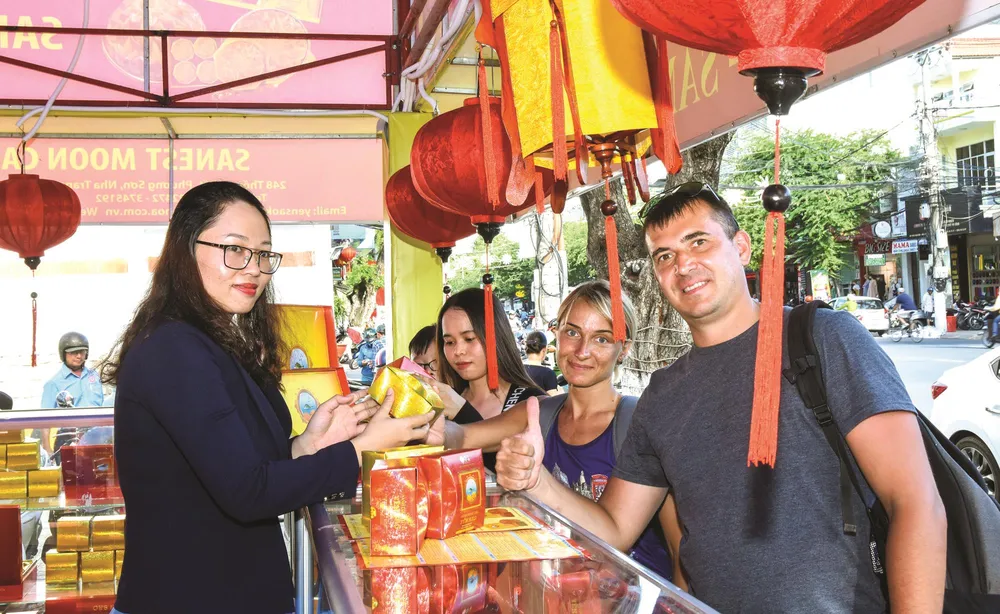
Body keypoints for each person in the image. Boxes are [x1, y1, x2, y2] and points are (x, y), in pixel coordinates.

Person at [495, 182, 946, 613]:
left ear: (742, 247)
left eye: (698, 243)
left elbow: (914, 503)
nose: (682, 265)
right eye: (664, 256)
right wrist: (536, 481)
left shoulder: (822, 340)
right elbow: (614, 530)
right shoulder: (664, 395)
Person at [101, 181, 434, 614]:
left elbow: (237, 468)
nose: (253, 268)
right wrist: (362, 449)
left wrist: (308, 444)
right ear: (186, 248)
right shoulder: (172, 348)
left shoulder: (214, 341)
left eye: (263, 254)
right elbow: (248, 491)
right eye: (235, 249)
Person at [425, 281, 679, 582]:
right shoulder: (538, 412)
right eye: (572, 333)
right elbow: (462, 437)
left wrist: (537, 480)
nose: (582, 351)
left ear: (623, 349)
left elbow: (678, 551)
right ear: (556, 334)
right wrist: (423, 416)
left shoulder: (640, 422)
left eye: (601, 339)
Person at [430, 288, 545, 470]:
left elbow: (497, 468)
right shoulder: (445, 401)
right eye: (449, 342)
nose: (458, 351)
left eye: (469, 338)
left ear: (495, 337)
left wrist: (462, 411)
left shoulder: (530, 401)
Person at [40, 332, 106, 455]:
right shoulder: (54, 383)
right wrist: (47, 448)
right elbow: (44, 419)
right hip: (69, 438)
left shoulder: (94, 376)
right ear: (63, 354)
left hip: (97, 436)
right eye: (73, 352)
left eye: (82, 352)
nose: (79, 356)